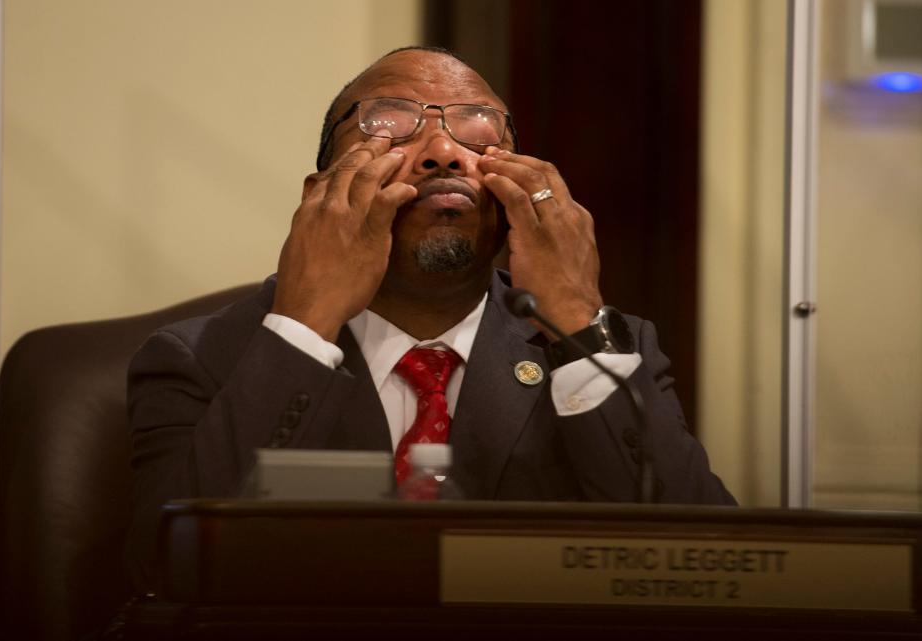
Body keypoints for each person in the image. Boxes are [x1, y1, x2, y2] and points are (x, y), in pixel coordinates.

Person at [125, 46, 734, 593]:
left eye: (477, 133)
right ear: (320, 195)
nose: (444, 151)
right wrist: (306, 323)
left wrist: (575, 319)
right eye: (389, 126)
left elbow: (706, 571)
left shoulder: (606, 352)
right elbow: (165, 577)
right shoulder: (200, 357)